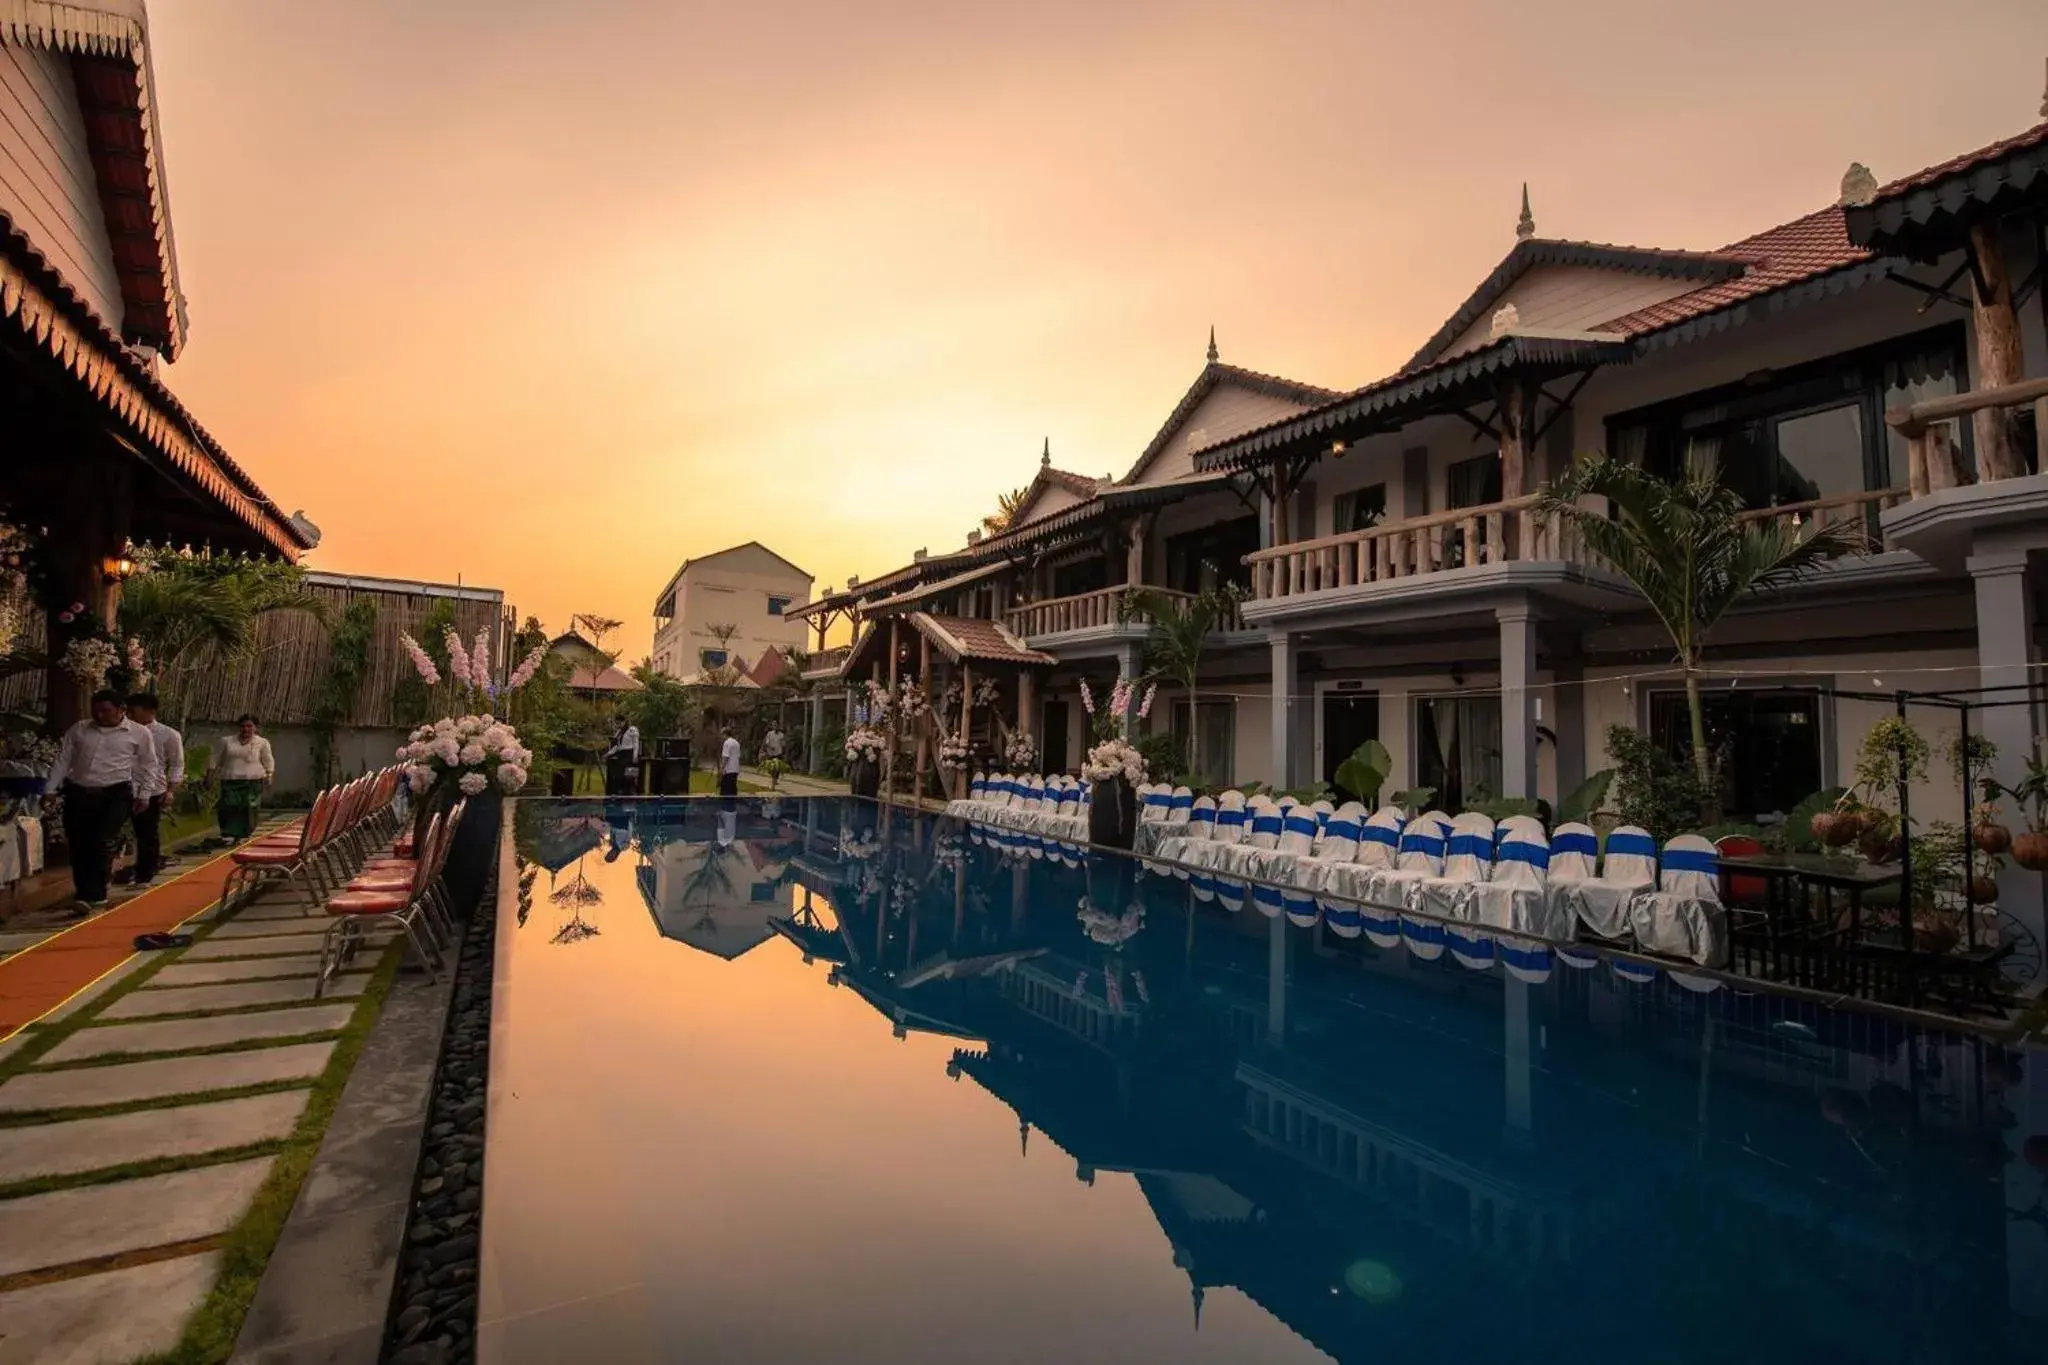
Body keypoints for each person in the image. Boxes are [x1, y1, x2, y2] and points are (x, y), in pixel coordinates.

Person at [42, 688, 160, 914]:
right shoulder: (79, 729)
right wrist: (50, 789)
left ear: (121, 710)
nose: (100, 715)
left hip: (115, 793)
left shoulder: (139, 733)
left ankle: (95, 894)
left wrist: (145, 794)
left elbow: (149, 765)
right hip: (79, 791)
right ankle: (84, 893)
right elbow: (63, 759)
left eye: (106, 711)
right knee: (78, 843)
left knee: (102, 841)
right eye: (96, 711)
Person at [123, 691, 183, 886]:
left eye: (133, 711)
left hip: (152, 789)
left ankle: (145, 874)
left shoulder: (168, 734)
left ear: (150, 711)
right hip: (121, 786)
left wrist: (170, 790)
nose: (129, 714)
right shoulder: (122, 730)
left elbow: (177, 764)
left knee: (146, 833)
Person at [214, 714, 274, 842]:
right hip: (230, 780)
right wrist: (210, 774)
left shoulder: (262, 743)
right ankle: (229, 834)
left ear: (255, 728)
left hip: (253, 781)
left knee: (248, 807)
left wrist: (269, 775)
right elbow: (216, 759)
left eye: (249, 726)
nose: (246, 729)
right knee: (229, 806)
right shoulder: (227, 741)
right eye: (243, 726)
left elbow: (268, 760)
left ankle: (244, 835)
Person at [604, 715, 641, 795]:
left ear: (624, 721)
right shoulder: (619, 732)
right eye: (617, 723)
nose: (618, 725)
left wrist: (635, 755)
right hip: (622, 754)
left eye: (620, 723)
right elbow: (617, 746)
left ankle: (632, 791)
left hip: (630, 753)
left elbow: (636, 743)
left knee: (630, 774)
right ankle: (623, 791)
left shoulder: (632, 730)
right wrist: (609, 753)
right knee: (620, 775)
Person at [718, 725, 742, 798]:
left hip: (728, 770)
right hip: (735, 769)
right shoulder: (736, 742)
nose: (721, 737)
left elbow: (726, 757)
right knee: (733, 788)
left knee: (725, 790)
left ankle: (726, 804)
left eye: (722, 734)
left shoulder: (727, 743)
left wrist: (721, 768)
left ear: (725, 734)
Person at [761, 723, 785, 789]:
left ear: (779, 727)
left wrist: (783, 743)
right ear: (772, 727)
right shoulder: (769, 734)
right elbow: (766, 743)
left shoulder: (781, 735)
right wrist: (770, 747)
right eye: (774, 725)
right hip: (771, 753)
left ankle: (773, 783)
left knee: (777, 769)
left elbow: (783, 745)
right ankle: (774, 779)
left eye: (776, 725)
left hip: (778, 753)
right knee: (770, 769)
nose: (775, 727)